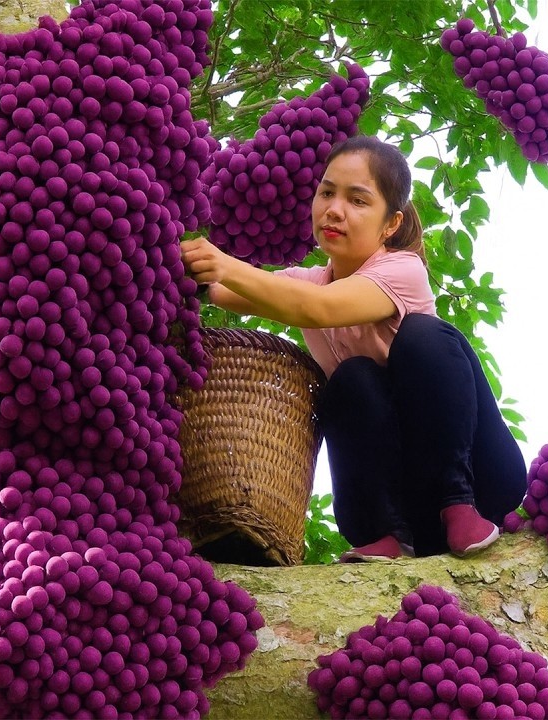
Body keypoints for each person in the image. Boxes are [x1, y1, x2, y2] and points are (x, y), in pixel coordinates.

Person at [180, 135, 527, 560]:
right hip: (403, 506)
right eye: (327, 192)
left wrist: (226, 264)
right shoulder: (308, 282)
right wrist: (171, 260)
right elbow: (223, 288)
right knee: (350, 379)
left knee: (424, 337)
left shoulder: (402, 269)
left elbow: (318, 309)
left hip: (482, 478)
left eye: (358, 200)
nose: (334, 209)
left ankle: (458, 504)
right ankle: (385, 533)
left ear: (391, 224)